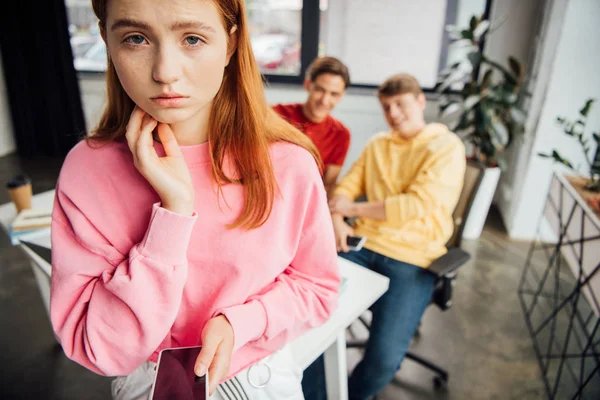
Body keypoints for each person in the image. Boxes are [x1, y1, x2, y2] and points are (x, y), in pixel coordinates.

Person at [49, 1, 341, 399]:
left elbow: (317, 287)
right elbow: (97, 348)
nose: (165, 72)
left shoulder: (289, 164)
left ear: (230, 44)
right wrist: (172, 215)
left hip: (256, 376)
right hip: (144, 381)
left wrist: (245, 322)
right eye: (135, 38)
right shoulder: (87, 171)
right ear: (107, 40)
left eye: (192, 38)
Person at [305, 73, 466, 399]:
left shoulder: (445, 146)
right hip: (361, 247)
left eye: (400, 104)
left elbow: (416, 205)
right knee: (311, 325)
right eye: (386, 107)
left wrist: (356, 210)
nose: (393, 114)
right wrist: (337, 217)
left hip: (413, 259)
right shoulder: (378, 144)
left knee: (383, 359)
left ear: (421, 101)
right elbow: (345, 189)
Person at [273, 57, 351, 198]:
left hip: (307, 200)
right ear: (308, 85)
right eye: (320, 90)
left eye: (334, 94)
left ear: (341, 96)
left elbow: (327, 186)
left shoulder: (341, 134)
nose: (325, 100)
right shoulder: (276, 115)